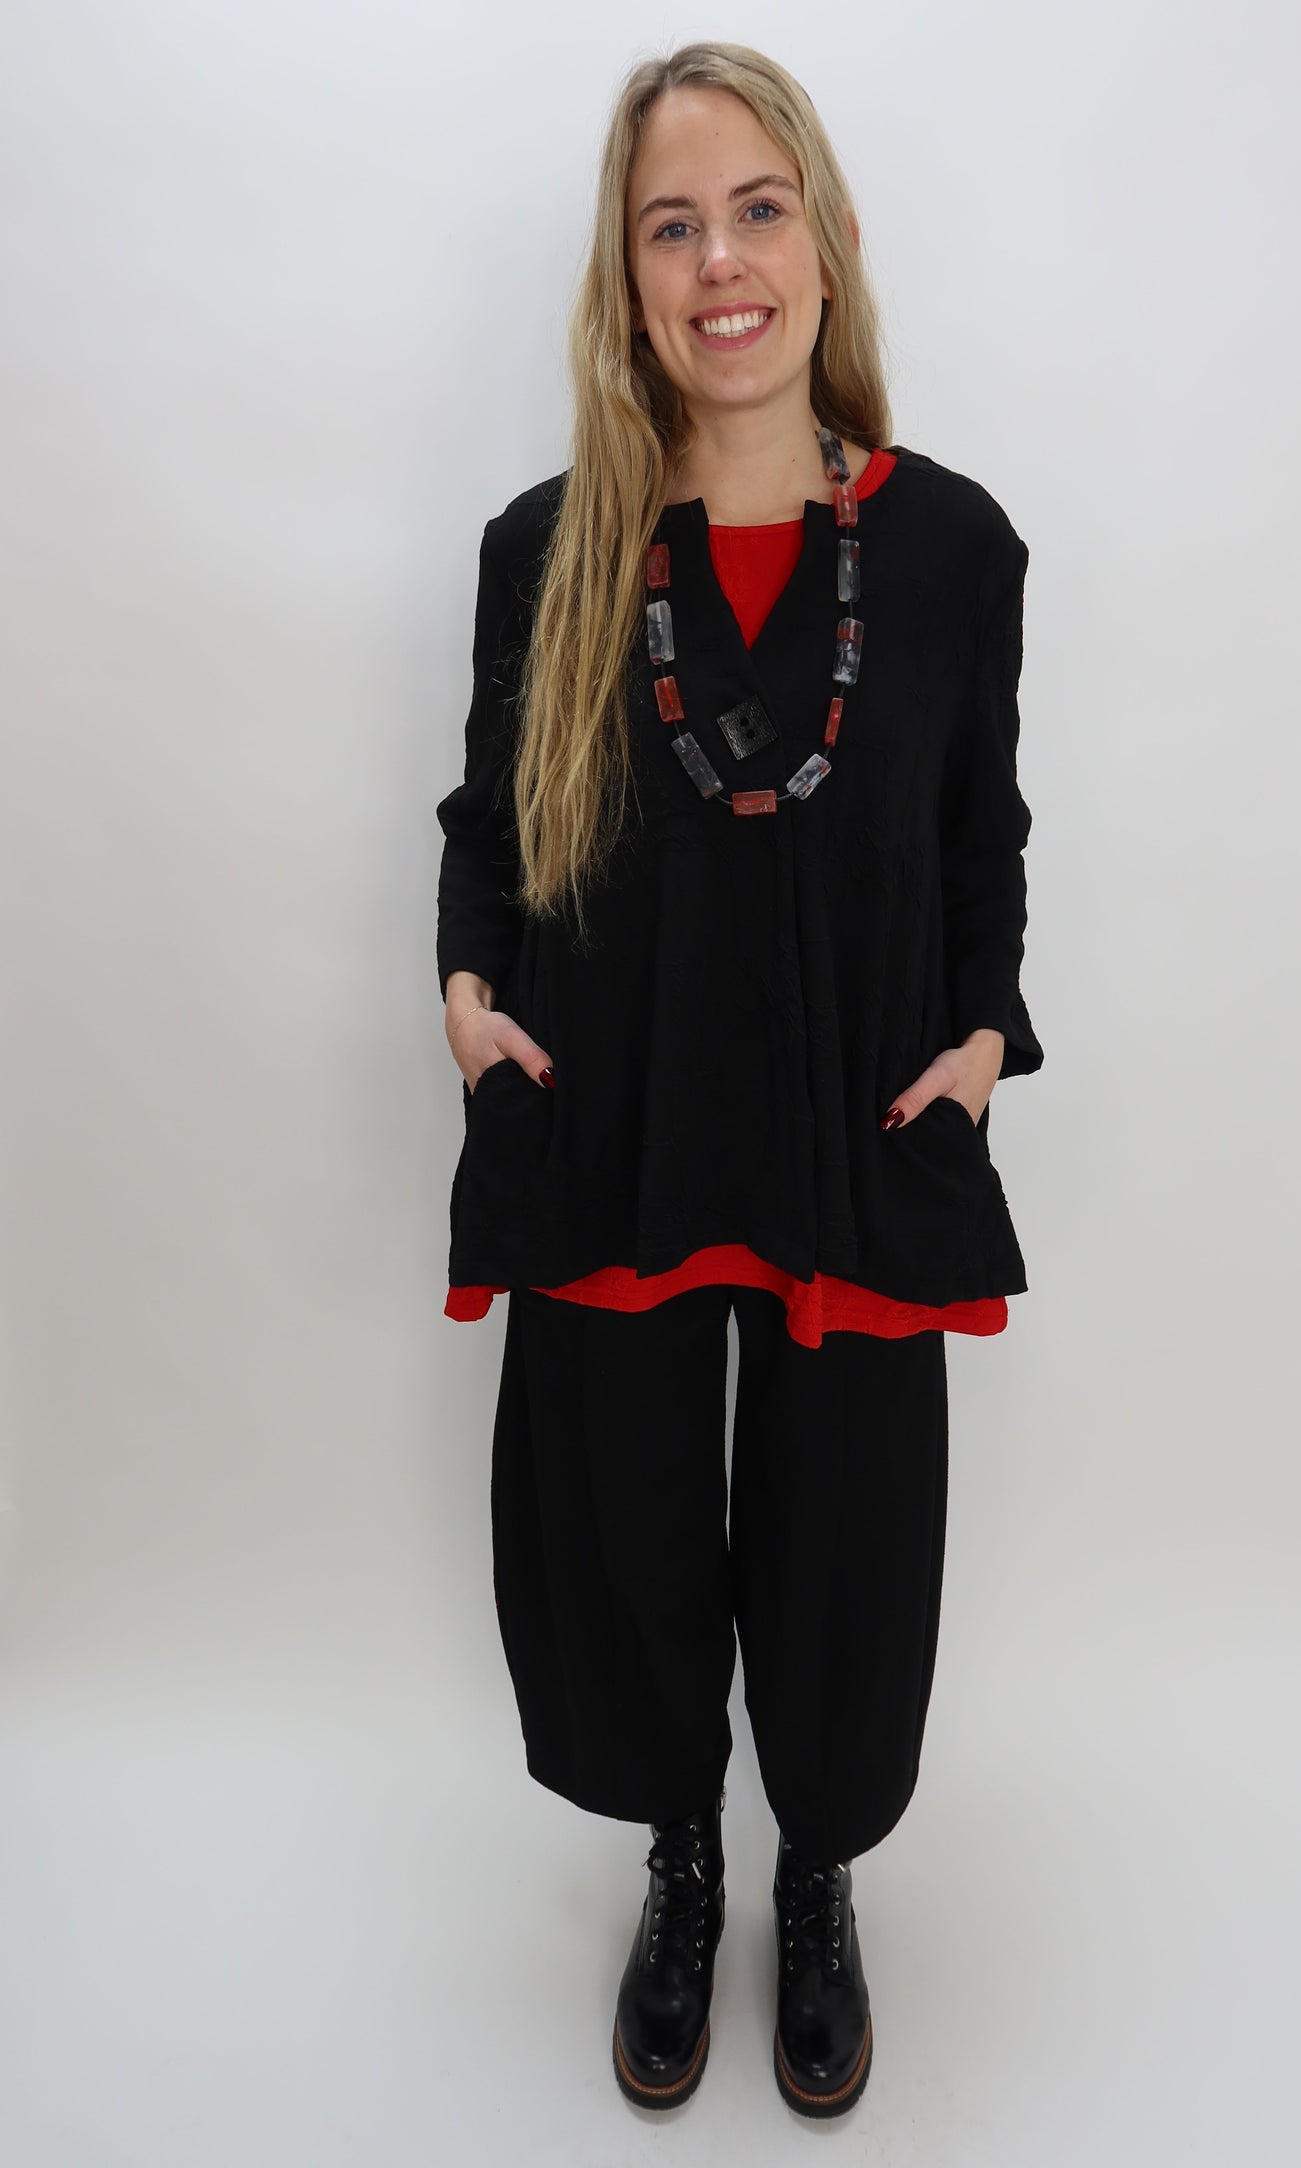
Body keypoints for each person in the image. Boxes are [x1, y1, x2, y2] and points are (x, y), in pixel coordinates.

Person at [434, 41, 1044, 2120]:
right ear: (626, 278)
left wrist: (985, 1029)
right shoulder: (551, 550)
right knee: (617, 1523)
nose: (721, 263)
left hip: (857, 1122)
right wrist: (467, 989)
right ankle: (685, 1860)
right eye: (671, 225)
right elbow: (489, 822)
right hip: (617, 1113)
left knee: (845, 1530)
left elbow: (979, 833)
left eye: (757, 210)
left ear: (829, 239)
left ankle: (817, 1871)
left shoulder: (949, 551)